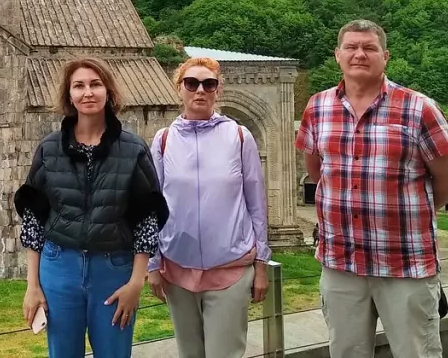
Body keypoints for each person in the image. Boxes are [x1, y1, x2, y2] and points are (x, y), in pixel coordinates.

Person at [296, 19, 448, 358]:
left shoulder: (418, 108)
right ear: (337, 55)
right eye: (351, 47)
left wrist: (406, 215)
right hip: (341, 263)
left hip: (404, 263)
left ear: (385, 56)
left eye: (369, 48)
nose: (359, 54)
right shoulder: (318, 107)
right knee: (346, 352)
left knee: (415, 352)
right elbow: (316, 171)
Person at [14, 57, 169, 357]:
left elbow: (147, 219)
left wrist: (136, 283)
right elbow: (33, 219)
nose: (88, 92)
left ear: (108, 91)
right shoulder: (50, 148)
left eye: (95, 84)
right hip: (60, 267)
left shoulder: (133, 148)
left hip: (113, 269)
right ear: (69, 95)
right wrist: (32, 285)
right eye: (79, 86)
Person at [146, 56, 271, 358]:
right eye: (191, 83)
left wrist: (261, 265)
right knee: (189, 353)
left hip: (230, 267)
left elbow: (256, 204)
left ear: (218, 90)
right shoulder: (163, 141)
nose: (200, 90)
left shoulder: (239, 137)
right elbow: (151, 206)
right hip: (177, 267)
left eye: (209, 84)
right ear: (179, 89)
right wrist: (152, 263)